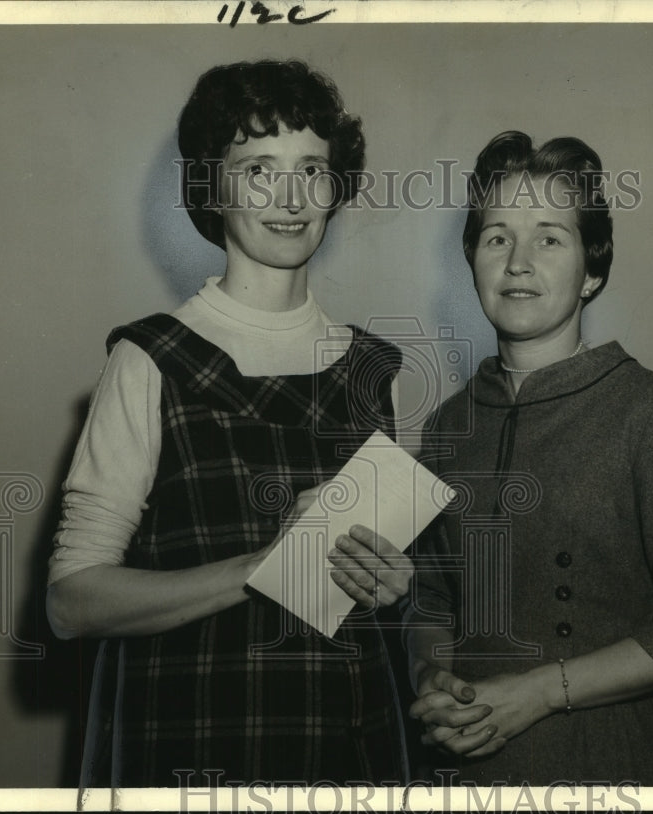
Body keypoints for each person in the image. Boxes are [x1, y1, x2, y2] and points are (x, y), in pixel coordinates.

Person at [46, 60, 413, 788]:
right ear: (212, 186)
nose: (291, 197)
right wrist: (260, 569)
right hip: (192, 743)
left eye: (312, 168)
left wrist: (395, 586)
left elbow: (376, 600)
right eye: (257, 168)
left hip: (349, 747)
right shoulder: (149, 359)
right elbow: (70, 602)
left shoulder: (373, 369)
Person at [403, 131, 653, 785]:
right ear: (472, 256)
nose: (518, 262)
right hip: (457, 773)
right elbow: (431, 599)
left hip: (599, 767)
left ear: (591, 270)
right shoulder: (449, 423)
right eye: (497, 236)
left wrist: (539, 691)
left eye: (550, 237)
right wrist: (431, 674)